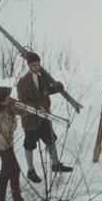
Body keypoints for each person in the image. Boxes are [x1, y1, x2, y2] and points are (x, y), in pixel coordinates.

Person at [16, 52, 72, 183]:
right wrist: (37, 107)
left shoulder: (42, 79)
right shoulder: (22, 82)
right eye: (33, 65)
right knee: (30, 145)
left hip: (44, 117)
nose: (36, 67)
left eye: (38, 64)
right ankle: (31, 171)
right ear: (29, 66)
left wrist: (58, 87)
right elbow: (22, 103)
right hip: (30, 120)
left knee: (50, 140)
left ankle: (56, 164)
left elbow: (46, 93)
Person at [0, 86, 24, 201]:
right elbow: (4, 132)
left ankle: (0, 199)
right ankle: (17, 198)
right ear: (1, 101)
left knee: (5, 173)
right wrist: (10, 113)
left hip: (8, 145)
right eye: (7, 98)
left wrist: (13, 112)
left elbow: (14, 127)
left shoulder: (7, 109)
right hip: (3, 147)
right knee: (15, 170)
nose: (9, 99)